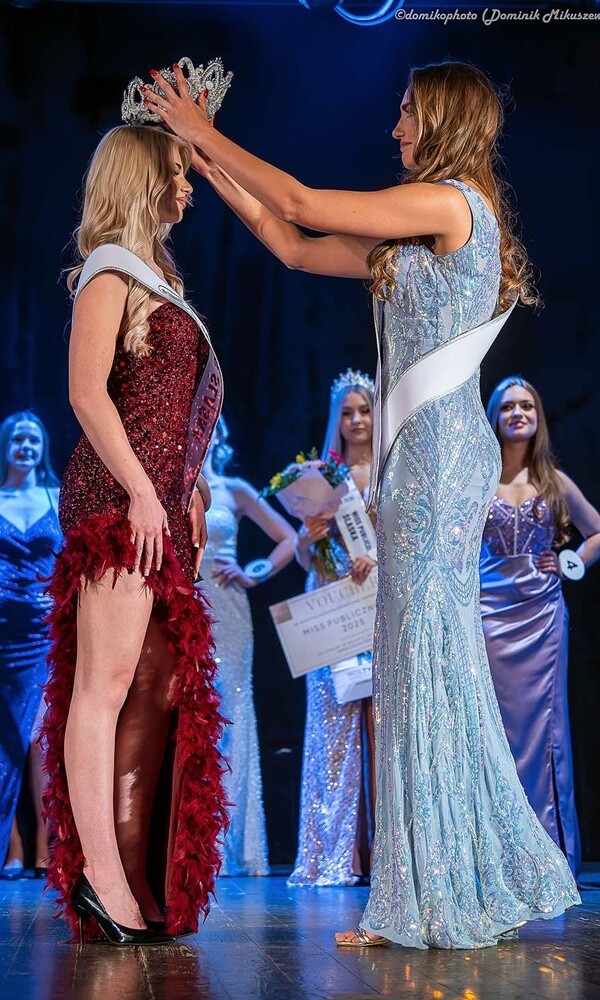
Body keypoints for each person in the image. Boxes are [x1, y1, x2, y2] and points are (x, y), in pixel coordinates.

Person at [145, 58, 579, 949]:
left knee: (421, 662)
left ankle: (432, 892)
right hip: (420, 457)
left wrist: (202, 129)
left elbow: (304, 200)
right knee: (416, 664)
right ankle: (422, 887)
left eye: (408, 113)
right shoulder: (418, 231)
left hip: (439, 459)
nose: (395, 129)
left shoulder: (451, 204)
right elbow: (293, 243)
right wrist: (211, 163)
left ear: (445, 120)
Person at [40, 125, 227, 945]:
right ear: (142, 177)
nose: (188, 187)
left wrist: (195, 486)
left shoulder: (160, 277)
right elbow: (87, 394)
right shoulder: (109, 270)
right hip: (118, 502)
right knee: (105, 685)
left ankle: (135, 872)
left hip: (157, 502)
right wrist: (146, 492)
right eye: (178, 173)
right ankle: (101, 881)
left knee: (158, 687)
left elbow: (168, 410)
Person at [481, 376, 600, 878]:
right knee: (493, 729)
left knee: (545, 731)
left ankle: (547, 853)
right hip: (487, 612)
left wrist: (571, 562)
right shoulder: (477, 479)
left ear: (539, 416)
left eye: (527, 405)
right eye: (508, 406)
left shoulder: (554, 481)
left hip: (541, 616)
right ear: (494, 417)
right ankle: (496, 854)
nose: (518, 413)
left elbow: (596, 532)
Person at [288, 369, 377, 886]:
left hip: (378, 602)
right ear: (335, 419)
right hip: (330, 602)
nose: (357, 420)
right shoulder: (322, 476)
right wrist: (309, 536)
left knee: (383, 727)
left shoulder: (391, 470)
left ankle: (384, 852)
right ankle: (337, 854)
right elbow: (304, 556)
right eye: (347, 413)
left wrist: (377, 560)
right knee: (333, 729)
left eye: (364, 410)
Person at [199, 415, 295, 876]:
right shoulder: (167, 485)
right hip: (178, 606)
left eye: (211, 423)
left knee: (230, 714)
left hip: (229, 613)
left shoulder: (233, 489)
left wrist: (253, 572)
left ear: (220, 434)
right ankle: (185, 843)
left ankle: (230, 845)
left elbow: (288, 538)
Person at [0, 412, 61, 880]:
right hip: (3, 632)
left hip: (44, 631)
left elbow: (75, 556)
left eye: (34, 439)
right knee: (6, 740)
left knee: (41, 737)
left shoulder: (55, 496)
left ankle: (46, 840)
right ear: (5, 446)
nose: (26, 446)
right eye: (18, 438)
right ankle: (12, 846)